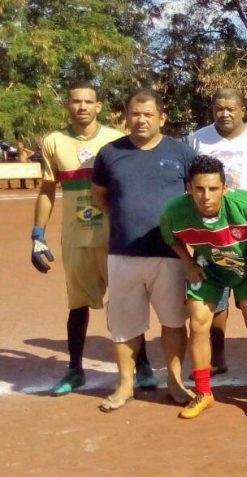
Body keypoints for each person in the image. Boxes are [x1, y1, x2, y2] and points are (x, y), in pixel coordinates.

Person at [33, 80, 157, 396]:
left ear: (99, 106)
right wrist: (38, 234)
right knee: (77, 305)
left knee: (127, 303)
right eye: (76, 101)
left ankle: (142, 365)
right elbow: (47, 190)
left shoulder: (117, 140)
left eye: (89, 102)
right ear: (68, 105)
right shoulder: (54, 142)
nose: (83, 107)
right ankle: (74, 369)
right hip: (76, 238)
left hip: (115, 237)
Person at [91, 88, 196, 412]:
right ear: (127, 116)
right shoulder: (110, 153)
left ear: (161, 118)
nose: (141, 119)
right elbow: (99, 196)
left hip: (170, 254)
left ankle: (175, 382)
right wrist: (127, 218)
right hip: (123, 253)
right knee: (124, 325)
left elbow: (195, 194)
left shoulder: (180, 152)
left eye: (148, 114)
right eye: (135, 113)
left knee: (174, 322)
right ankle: (125, 384)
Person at [160, 156, 247, 418]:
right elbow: (172, 239)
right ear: (188, 187)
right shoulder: (174, 212)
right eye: (199, 189)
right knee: (198, 323)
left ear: (225, 187)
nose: (206, 196)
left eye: (213, 189)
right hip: (208, 269)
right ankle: (203, 392)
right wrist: (188, 264)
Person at [187, 87, 247, 378]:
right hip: (209, 236)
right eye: (219, 108)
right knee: (214, 303)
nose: (224, 113)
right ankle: (217, 356)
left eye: (231, 108)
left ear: (243, 110)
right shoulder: (197, 139)